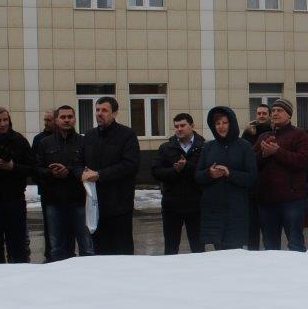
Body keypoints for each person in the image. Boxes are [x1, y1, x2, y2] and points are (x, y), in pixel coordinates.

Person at [81, 96, 140, 255]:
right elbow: (81, 161)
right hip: (96, 205)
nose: (99, 113)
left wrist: (100, 175)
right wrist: (82, 172)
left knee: (122, 251)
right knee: (100, 252)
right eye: (97, 110)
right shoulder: (90, 135)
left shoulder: (127, 135)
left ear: (114, 113)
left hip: (119, 204)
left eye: (104, 110)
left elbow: (130, 165)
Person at [254, 98, 308, 252]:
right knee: (270, 247)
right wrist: (263, 154)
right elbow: (252, 163)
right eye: (273, 111)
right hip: (267, 201)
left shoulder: (300, 135)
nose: (275, 113)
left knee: (295, 246)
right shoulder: (263, 136)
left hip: (292, 200)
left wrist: (277, 151)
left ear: (289, 114)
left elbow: (305, 161)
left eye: (279, 110)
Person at [195, 106, 257, 251]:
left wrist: (230, 174)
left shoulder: (244, 146)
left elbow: (252, 177)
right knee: (218, 252)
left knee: (234, 252)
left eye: (224, 122)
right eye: (217, 123)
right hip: (214, 208)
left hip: (236, 209)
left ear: (232, 123)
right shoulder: (208, 147)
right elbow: (197, 176)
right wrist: (209, 173)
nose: (221, 127)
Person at [35, 106, 92, 261]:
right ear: (56, 120)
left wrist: (69, 170)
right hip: (54, 202)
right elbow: (36, 169)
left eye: (70, 117)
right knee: (56, 248)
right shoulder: (45, 143)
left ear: (75, 119)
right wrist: (51, 172)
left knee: (86, 247)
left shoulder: (84, 142)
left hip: (79, 201)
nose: (67, 120)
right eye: (63, 117)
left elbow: (89, 167)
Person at [0, 107, 34, 263]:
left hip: (15, 199)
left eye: (5, 120)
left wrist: (13, 167)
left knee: (17, 243)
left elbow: (31, 168)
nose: (3, 124)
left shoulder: (20, 140)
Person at [152, 113, 206, 254]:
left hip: (196, 204)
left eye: (183, 125)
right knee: (171, 248)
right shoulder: (166, 148)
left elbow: (205, 173)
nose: (179, 129)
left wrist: (186, 166)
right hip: (172, 204)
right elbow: (156, 172)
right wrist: (174, 170)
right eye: (176, 126)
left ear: (192, 126)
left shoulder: (203, 147)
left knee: (198, 248)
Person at [241, 103, 272, 251]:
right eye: (259, 113)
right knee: (252, 228)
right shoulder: (248, 132)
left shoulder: (274, 130)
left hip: (269, 184)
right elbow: (243, 155)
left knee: (269, 229)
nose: (261, 116)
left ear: (269, 115)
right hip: (252, 186)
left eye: (264, 113)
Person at [31, 109, 57, 262]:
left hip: (67, 189)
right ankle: (49, 255)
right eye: (45, 120)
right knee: (49, 226)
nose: (46, 123)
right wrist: (43, 179)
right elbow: (34, 165)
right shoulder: (39, 139)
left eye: (49, 120)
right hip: (47, 189)